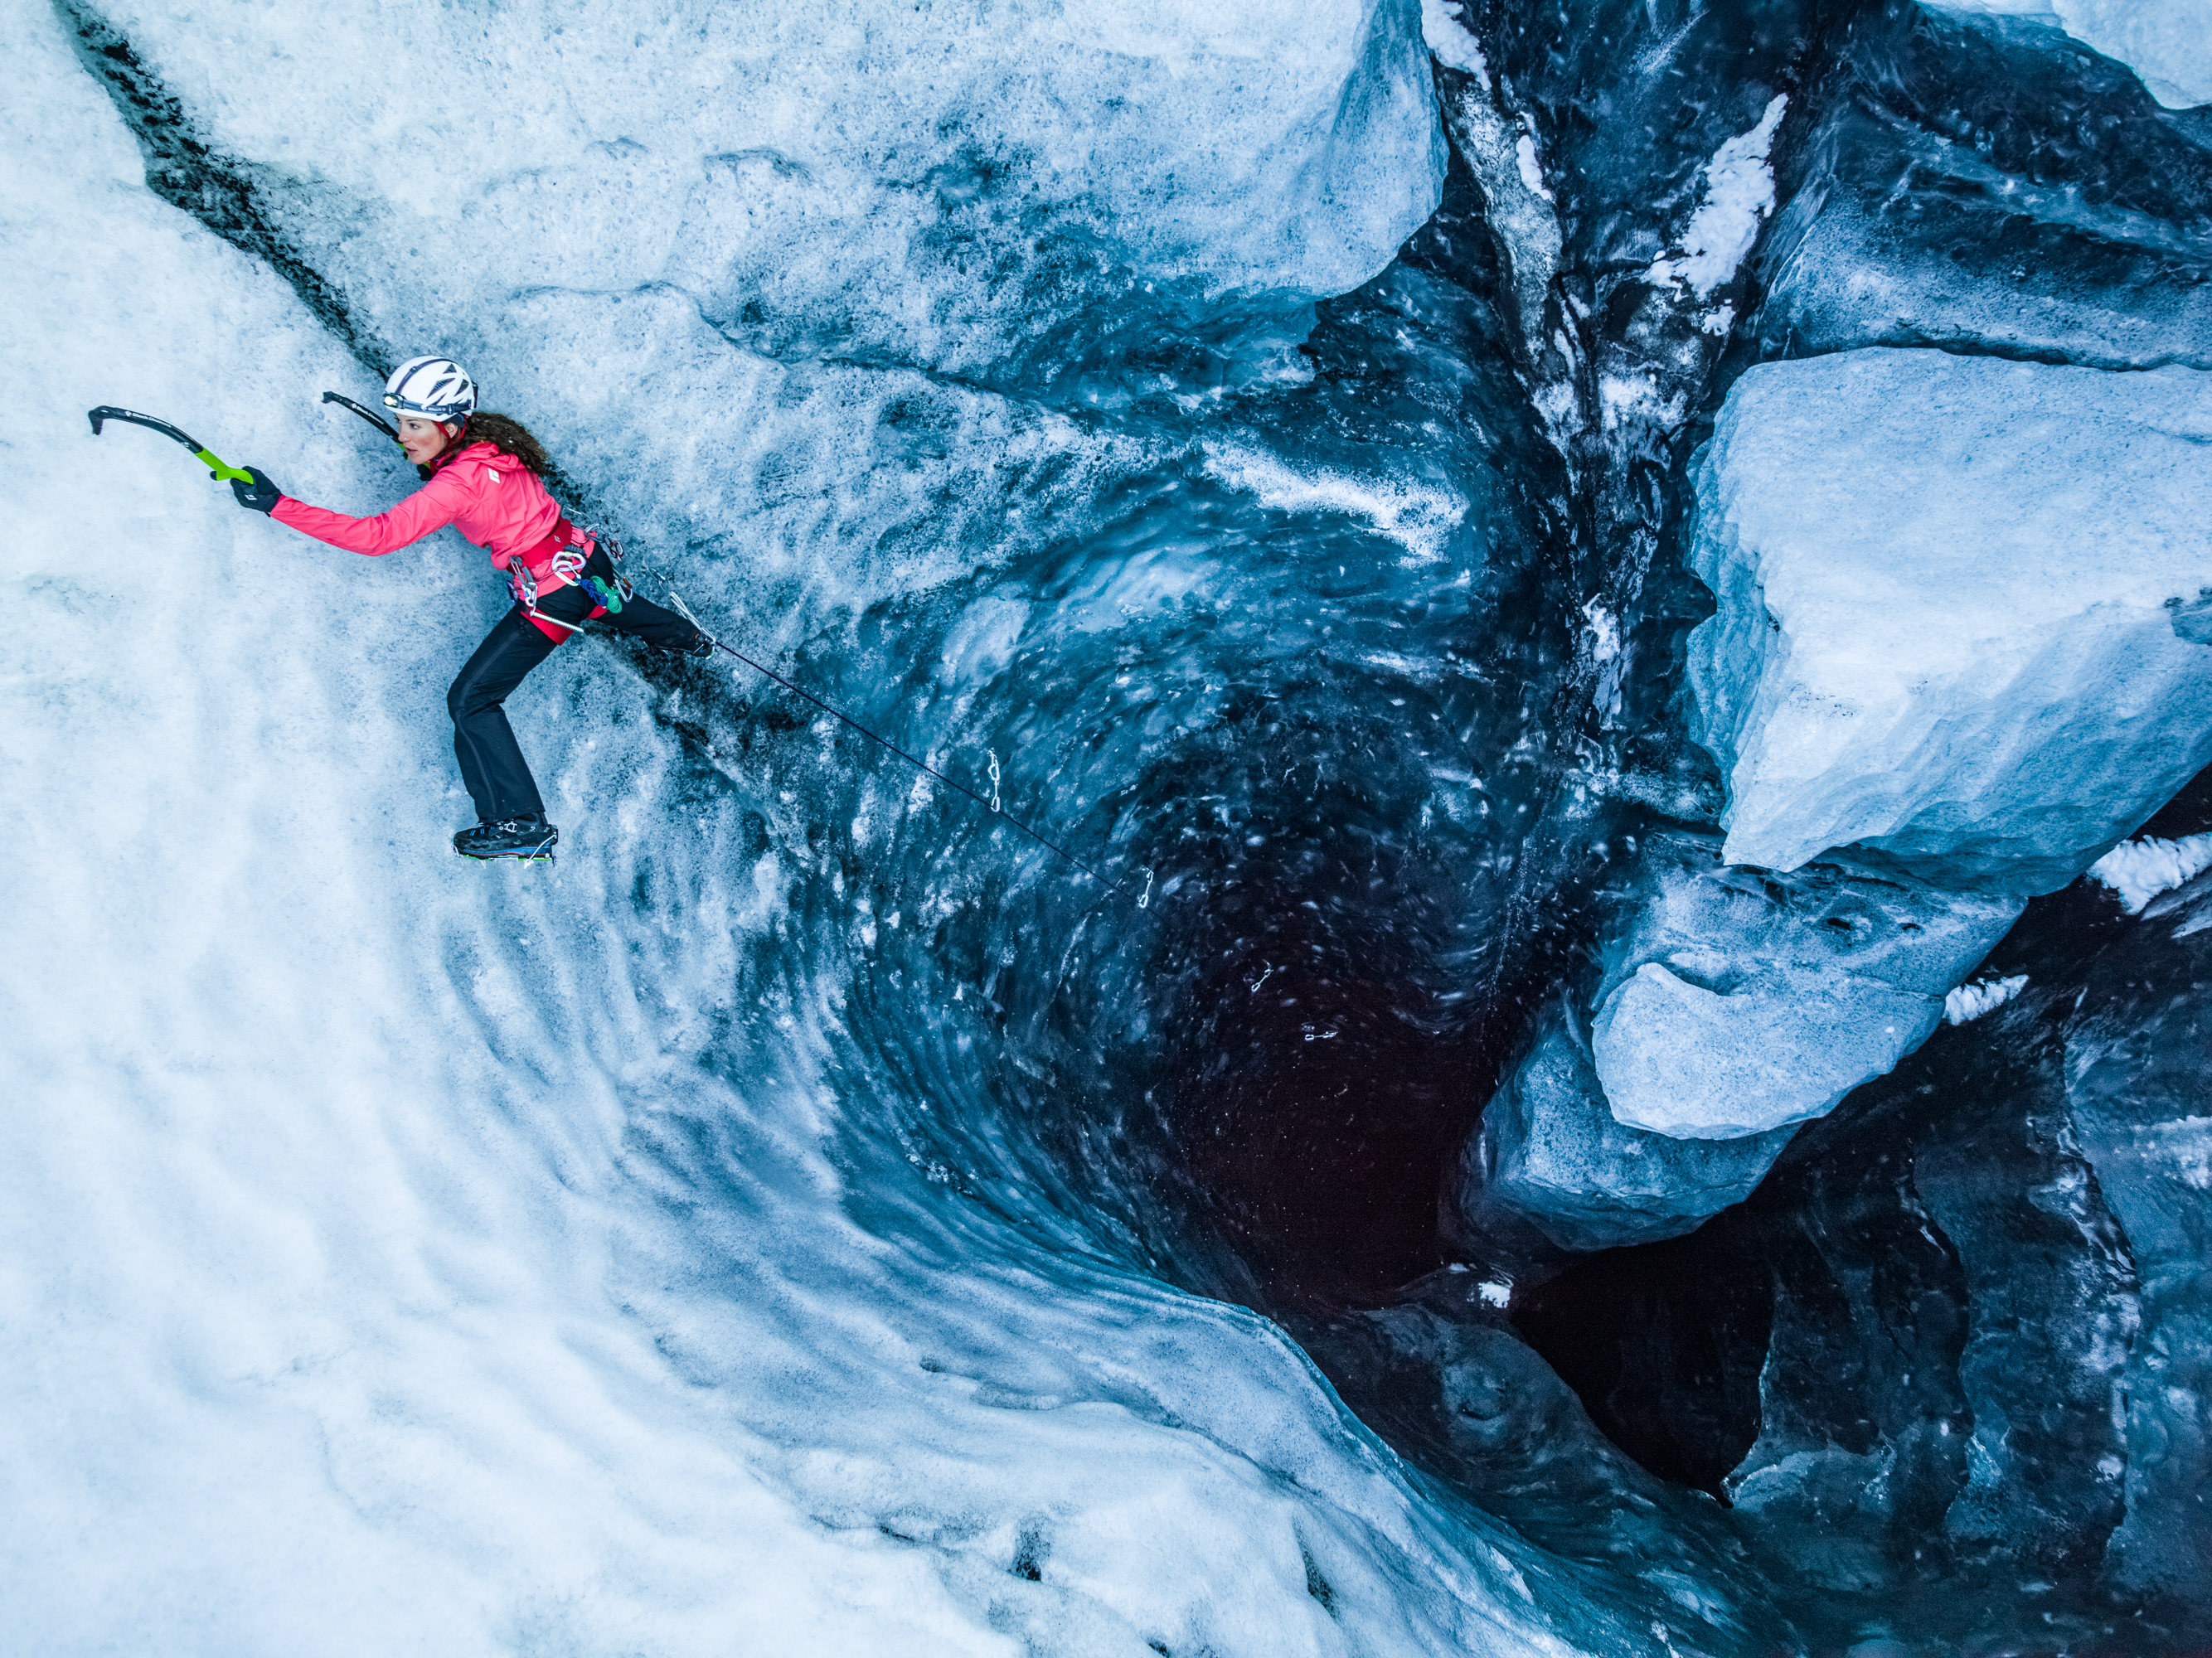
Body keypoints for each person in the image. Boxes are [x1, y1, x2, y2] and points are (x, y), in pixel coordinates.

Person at [229, 356, 713, 859]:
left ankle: (521, 822)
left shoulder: (455, 484)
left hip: (553, 596)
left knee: (470, 702)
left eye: (414, 425)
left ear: (451, 425)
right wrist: (436, 463)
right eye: (400, 424)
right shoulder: (495, 442)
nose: (404, 435)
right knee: (613, 604)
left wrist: (277, 505)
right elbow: (479, 487)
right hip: (586, 558)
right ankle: (691, 640)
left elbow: (377, 537)